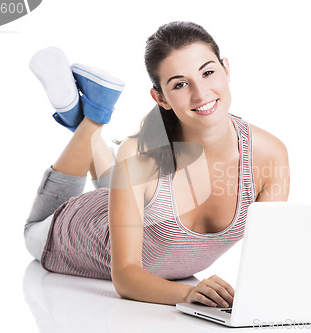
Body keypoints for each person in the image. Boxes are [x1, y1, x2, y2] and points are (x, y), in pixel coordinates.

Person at [24, 21, 290, 308]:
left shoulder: (269, 155)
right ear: (160, 98)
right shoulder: (138, 156)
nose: (201, 94)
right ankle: (93, 119)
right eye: (180, 84)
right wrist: (188, 294)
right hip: (80, 227)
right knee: (31, 230)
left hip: (132, 200)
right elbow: (125, 277)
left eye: (208, 72)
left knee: (126, 179)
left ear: (226, 69)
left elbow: (266, 260)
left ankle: (80, 112)